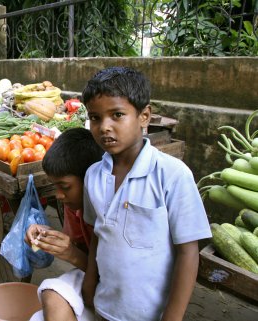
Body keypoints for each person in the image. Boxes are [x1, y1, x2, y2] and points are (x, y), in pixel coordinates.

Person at [80, 66, 212, 321]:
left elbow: (188, 252)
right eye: (95, 118)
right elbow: (99, 232)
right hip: (106, 306)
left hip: (152, 314)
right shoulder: (93, 176)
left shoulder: (172, 175)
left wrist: (172, 317)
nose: (104, 127)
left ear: (144, 116)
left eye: (117, 115)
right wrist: (89, 279)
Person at [26, 127, 104, 321]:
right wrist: (48, 236)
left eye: (65, 187)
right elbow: (79, 250)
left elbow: (104, 273)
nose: (58, 195)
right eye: (55, 186)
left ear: (89, 179)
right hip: (90, 279)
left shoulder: (109, 213)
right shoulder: (74, 206)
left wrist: (71, 254)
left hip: (112, 285)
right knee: (49, 297)